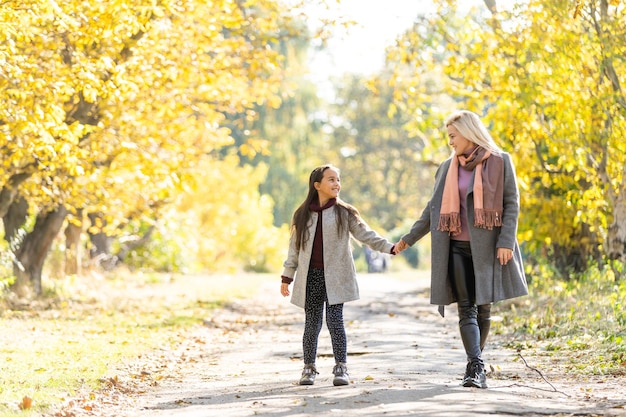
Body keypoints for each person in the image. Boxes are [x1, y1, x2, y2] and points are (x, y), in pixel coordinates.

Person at [394, 110, 528, 389]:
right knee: (465, 308)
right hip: (454, 246)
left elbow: (511, 204)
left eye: (453, 136)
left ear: (468, 133)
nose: (450, 142)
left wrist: (505, 242)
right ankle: (476, 366)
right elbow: (432, 210)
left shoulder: (501, 161)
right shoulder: (446, 167)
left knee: (483, 308)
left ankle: (474, 364)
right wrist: (408, 239)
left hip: (489, 248)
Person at [280, 164, 397, 386]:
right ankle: (309, 368)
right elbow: (294, 248)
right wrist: (287, 276)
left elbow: (366, 235)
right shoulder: (302, 214)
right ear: (317, 185)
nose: (337, 184)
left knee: (335, 322)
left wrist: (389, 248)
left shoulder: (345, 213)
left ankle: (341, 367)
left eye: (338, 179)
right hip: (311, 277)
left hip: (337, 277)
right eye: (331, 180)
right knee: (312, 323)